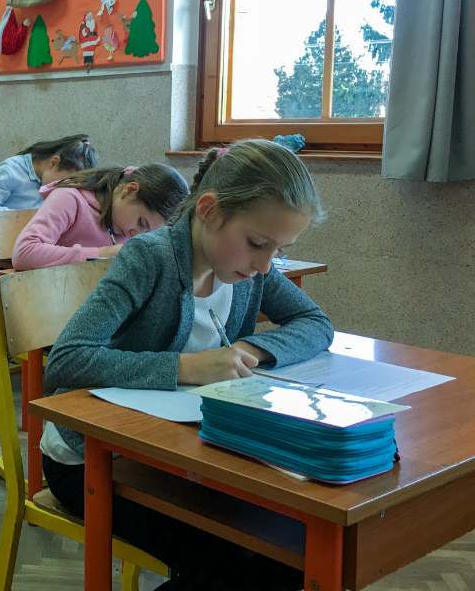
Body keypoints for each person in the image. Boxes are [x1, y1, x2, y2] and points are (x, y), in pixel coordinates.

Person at [42, 139, 332, 590]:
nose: (264, 264)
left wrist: (250, 350)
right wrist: (187, 367)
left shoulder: (251, 270)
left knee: (295, 548)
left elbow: (316, 323)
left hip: (188, 455)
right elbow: (67, 359)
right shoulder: (149, 258)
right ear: (209, 210)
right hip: (94, 460)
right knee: (245, 564)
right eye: (258, 243)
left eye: (278, 249)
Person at [12, 164, 189, 271]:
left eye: (148, 232)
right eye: (141, 222)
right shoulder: (70, 198)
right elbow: (24, 253)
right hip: (53, 301)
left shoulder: (126, 227)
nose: (137, 234)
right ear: (130, 190)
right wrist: (101, 254)